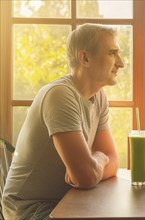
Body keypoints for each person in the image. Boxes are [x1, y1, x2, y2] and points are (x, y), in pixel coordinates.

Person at [1, 23, 124, 219]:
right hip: (32, 210)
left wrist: (93, 165)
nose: (121, 62)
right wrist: (99, 159)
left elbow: (113, 161)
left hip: (68, 201)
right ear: (85, 58)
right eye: (112, 53)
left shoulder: (99, 98)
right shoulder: (59, 95)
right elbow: (87, 176)